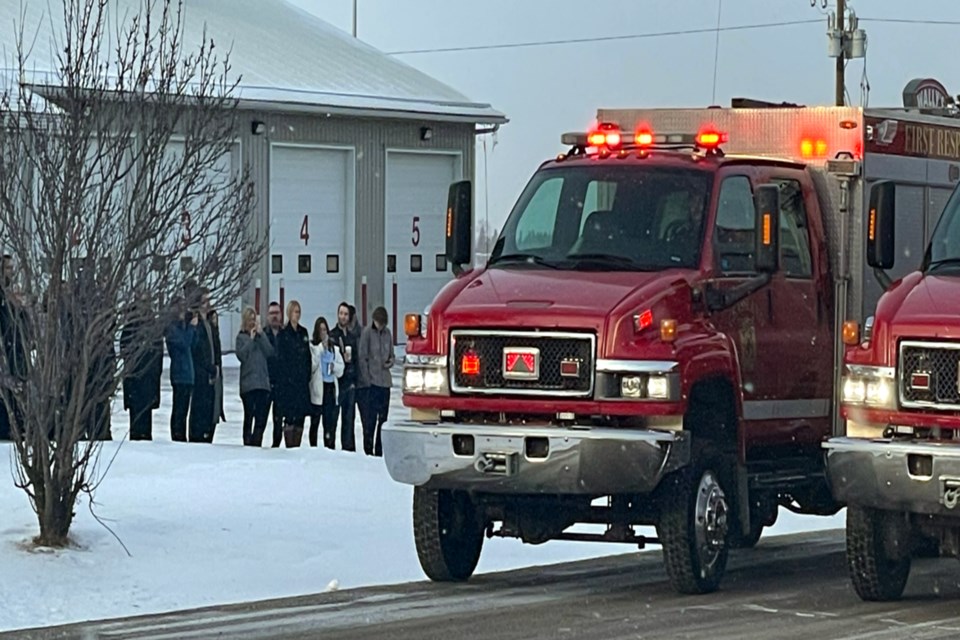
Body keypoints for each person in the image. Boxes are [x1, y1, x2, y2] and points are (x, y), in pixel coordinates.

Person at [120, 299, 164, 441]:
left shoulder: (134, 328)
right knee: (142, 417)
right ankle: (141, 436)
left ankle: (140, 436)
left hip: (140, 379)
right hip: (142, 379)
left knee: (140, 417)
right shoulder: (141, 328)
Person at [358, 306, 394, 457]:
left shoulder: (388, 334)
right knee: (370, 420)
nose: (381, 326)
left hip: (385, 382)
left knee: (383, 419)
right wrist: (367, 379)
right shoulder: (367, 333)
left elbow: (392, 354)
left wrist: (390, 362)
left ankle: (379, 450)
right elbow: (362, 357)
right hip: (372, 383)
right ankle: (368, 449)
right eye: (379, 323)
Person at [236, 307, 274, 446]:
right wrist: (250, 340)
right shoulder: (241, 338)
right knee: (249, 415)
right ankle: (247, 441)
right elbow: (242, 356)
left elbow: (270, 352)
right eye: (250, 320)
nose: (252, 322)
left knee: (260, 417)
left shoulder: (261, 337)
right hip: (248, 384)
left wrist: (261, 334)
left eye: (254, 320)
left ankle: (256, 442)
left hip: (262, 383)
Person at [275, 300, 310, 447]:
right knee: (289, 415)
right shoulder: (283, 334)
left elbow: (307, 356)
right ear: (289, 313)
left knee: (300, 416)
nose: (297, 314)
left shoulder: (303, 333)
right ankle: (289, 442)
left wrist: (306, 374)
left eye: (299, 311)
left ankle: (298, 442)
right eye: (295, 311)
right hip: (288, 383)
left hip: (301, 382)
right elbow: (280, 358)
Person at [165, 298, 198, 442]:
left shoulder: (183, 327)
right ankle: (177, 435)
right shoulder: (172, 328)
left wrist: (193, 328)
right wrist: (191, 328)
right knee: (179, 408)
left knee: (184, 408)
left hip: (188, 373)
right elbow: (184, 343)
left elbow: (192, 344)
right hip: (179, 373)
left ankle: (181, 434)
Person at [309, 317, 344, 448]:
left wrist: (334, 366)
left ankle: (330, 446)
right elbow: (312, 366)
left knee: (330, 423)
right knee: (315, 422)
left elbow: (341, 370)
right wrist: (320, 349)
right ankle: (314, 447)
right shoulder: (314, 347)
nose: (323, 333)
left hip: (330, 387)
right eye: (320, 330)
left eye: (325, 330)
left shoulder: (334, 349)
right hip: (319, 388)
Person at [188, 287, 218, 443]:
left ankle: (207, 434)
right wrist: (207, 367)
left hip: (211, 373)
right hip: (200, 373)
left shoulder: (210, 324)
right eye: (205, 300)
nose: (208, 304)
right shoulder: (197, 323)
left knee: (209, 407)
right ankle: (197, 436)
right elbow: (197, 350)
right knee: (199, 406)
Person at [329, 302, 359, 452]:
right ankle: (331, 447)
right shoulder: (333, 335)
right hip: (337, 383)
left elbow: (356, 359)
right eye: (341, 313)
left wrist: (355, 379)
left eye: (346, 314)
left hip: (350, 382)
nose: (343, 316)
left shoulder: (353, 336)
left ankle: (349, 448)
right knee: (334, 417)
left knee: (349, 419)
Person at [262, 301, 284, 448]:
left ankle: (276, 446)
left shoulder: (285, 334)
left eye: (276, 313)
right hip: (266, 381)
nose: (274, 316)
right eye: (271, 313)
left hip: (281, 383)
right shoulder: (263, 334)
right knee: (261, 418)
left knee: (279, 418)